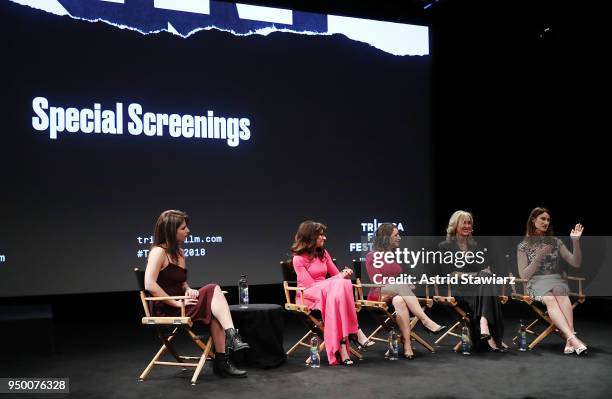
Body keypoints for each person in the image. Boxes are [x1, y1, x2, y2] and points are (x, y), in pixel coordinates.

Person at [144, 210, 250, 377]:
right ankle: (232, 338)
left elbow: (182, 282)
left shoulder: (180, 253)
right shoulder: (158, 252)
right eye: (183, 228)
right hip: (167, 307)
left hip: (182, 303)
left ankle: (222, 361)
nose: (188, 231)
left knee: (215, 309)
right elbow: (149, 284)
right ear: (171, 231)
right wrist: (177, 303)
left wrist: (188, 289)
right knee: (213, 288)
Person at [291, 220, 374, 366]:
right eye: (320, 235)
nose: (325, 238)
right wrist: (339, 277)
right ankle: (355, 331)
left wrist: (343, 274)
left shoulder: (324, 253)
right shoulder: (298, 259)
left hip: (328, 294)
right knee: (339, 284)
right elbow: (310, 286)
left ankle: (343, 346)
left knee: (342, 284)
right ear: (310, 237)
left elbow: (336, 275)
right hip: (308, 296)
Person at [365, 223, 446, 359]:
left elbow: (396, 277)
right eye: (396, 235)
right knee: (400, 286)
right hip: (378, 293)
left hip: (394, 293)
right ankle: (425, 321)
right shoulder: (372, 256)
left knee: (400, 300)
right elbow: (377, 281)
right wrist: (401, 285)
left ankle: (407, 344)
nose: (399, 237)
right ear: (386, 238)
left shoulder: (393, 254)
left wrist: (405, 284)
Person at [517, 207, 587, 355]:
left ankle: (570, 338)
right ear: (533, 220)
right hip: (535, 282)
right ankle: (572, 338)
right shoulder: (523, 246)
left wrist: (575, 242)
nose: (546, 222)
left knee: (560, 291)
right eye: (542, 218)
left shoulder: (555, 242)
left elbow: (576, 263)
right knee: (550, 299)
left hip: (555, 280)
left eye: (548, 219)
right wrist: (538, 257)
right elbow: (523, 276)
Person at [438, 210, 505, 352]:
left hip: (479, 286)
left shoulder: (475, 246)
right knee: (488, 284)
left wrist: (480, 274)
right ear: (455, 225)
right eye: (464, 223)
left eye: (470, 223)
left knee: (488, 279)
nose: (468, 226)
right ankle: (494, 336)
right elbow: (450, 274)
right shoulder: (444, 246)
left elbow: (485, 269)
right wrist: (476, 275)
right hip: (458, 287)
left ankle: (483, 322)